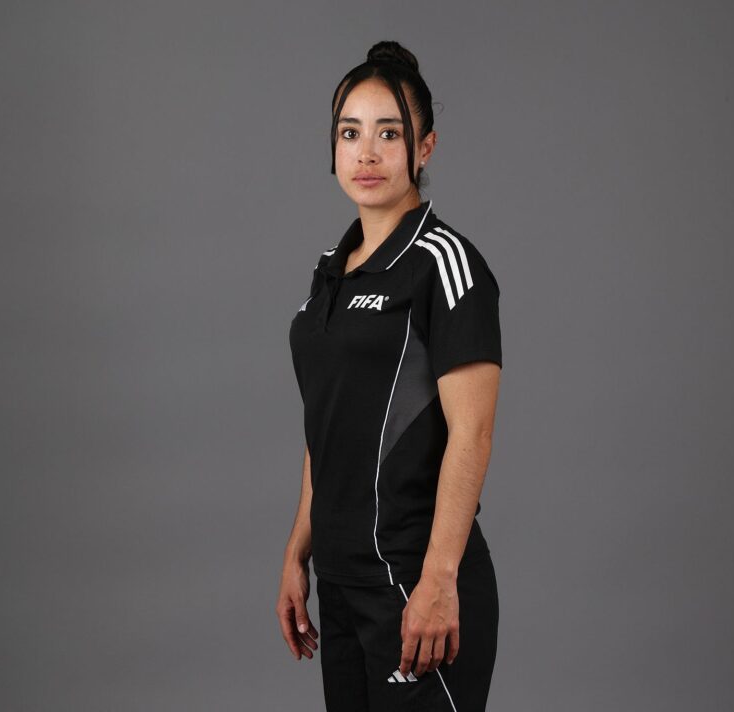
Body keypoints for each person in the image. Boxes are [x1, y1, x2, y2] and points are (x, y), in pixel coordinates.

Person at [277, 39, 503, 712]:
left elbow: (473, 431)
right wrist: (297, 553)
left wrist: (439, 580)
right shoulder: (329, 273)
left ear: (424, 148)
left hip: (413, 582)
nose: (367, 153)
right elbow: (327, 426)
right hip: (341, 584)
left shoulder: (445, 264)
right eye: (350, 133)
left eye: (389, 134)